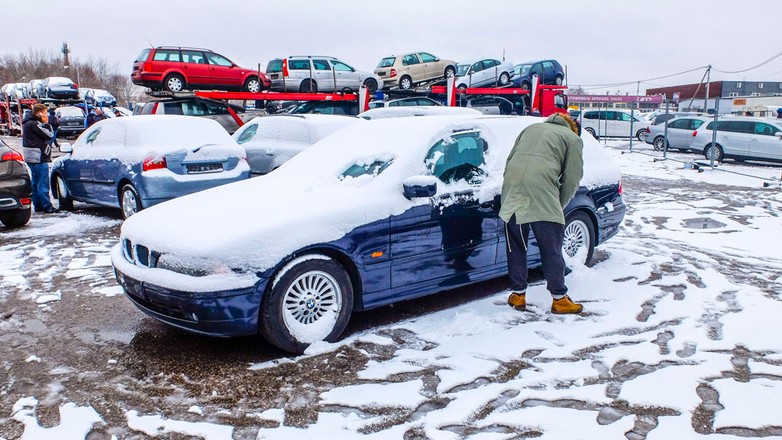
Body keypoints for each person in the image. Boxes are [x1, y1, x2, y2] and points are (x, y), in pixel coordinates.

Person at [500, 112, 584, 314]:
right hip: (543, 194)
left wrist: (511, 190)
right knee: (551, 248)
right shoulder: (573, 139)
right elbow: (572, 179)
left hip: (513, 191)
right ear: (573, 127)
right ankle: (559, 299)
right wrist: (558, 205)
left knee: (516, 246)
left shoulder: (529, 129)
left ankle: (517, 295)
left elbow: (509, 162)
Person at [22, 103, 58, 214]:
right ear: (39, 113)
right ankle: (47, 205)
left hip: (31, 156)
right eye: (45, 113)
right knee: (42, 182)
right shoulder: (35, 124)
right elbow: (49, 135)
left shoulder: (28, 123)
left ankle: (38, 205)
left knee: (36, 181)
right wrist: (47, 124)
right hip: (38, 156)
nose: (47, 116)